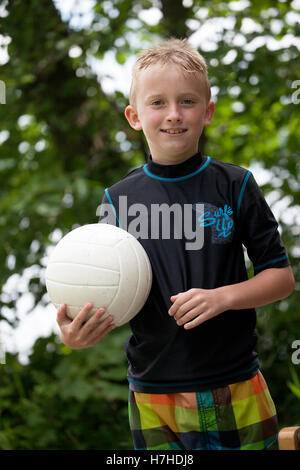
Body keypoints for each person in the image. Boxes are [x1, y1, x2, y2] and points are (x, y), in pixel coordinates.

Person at [56, 38, 295, 450]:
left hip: (234, 381)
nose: (173, 115)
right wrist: (73, 334)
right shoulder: (117, 199)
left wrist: (222, 298)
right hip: (151, 391)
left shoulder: (235, 185)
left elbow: (281, 278)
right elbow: (101, 288)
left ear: (208, 112)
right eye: (157, 103)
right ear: (134, 116)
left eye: (187, 101)